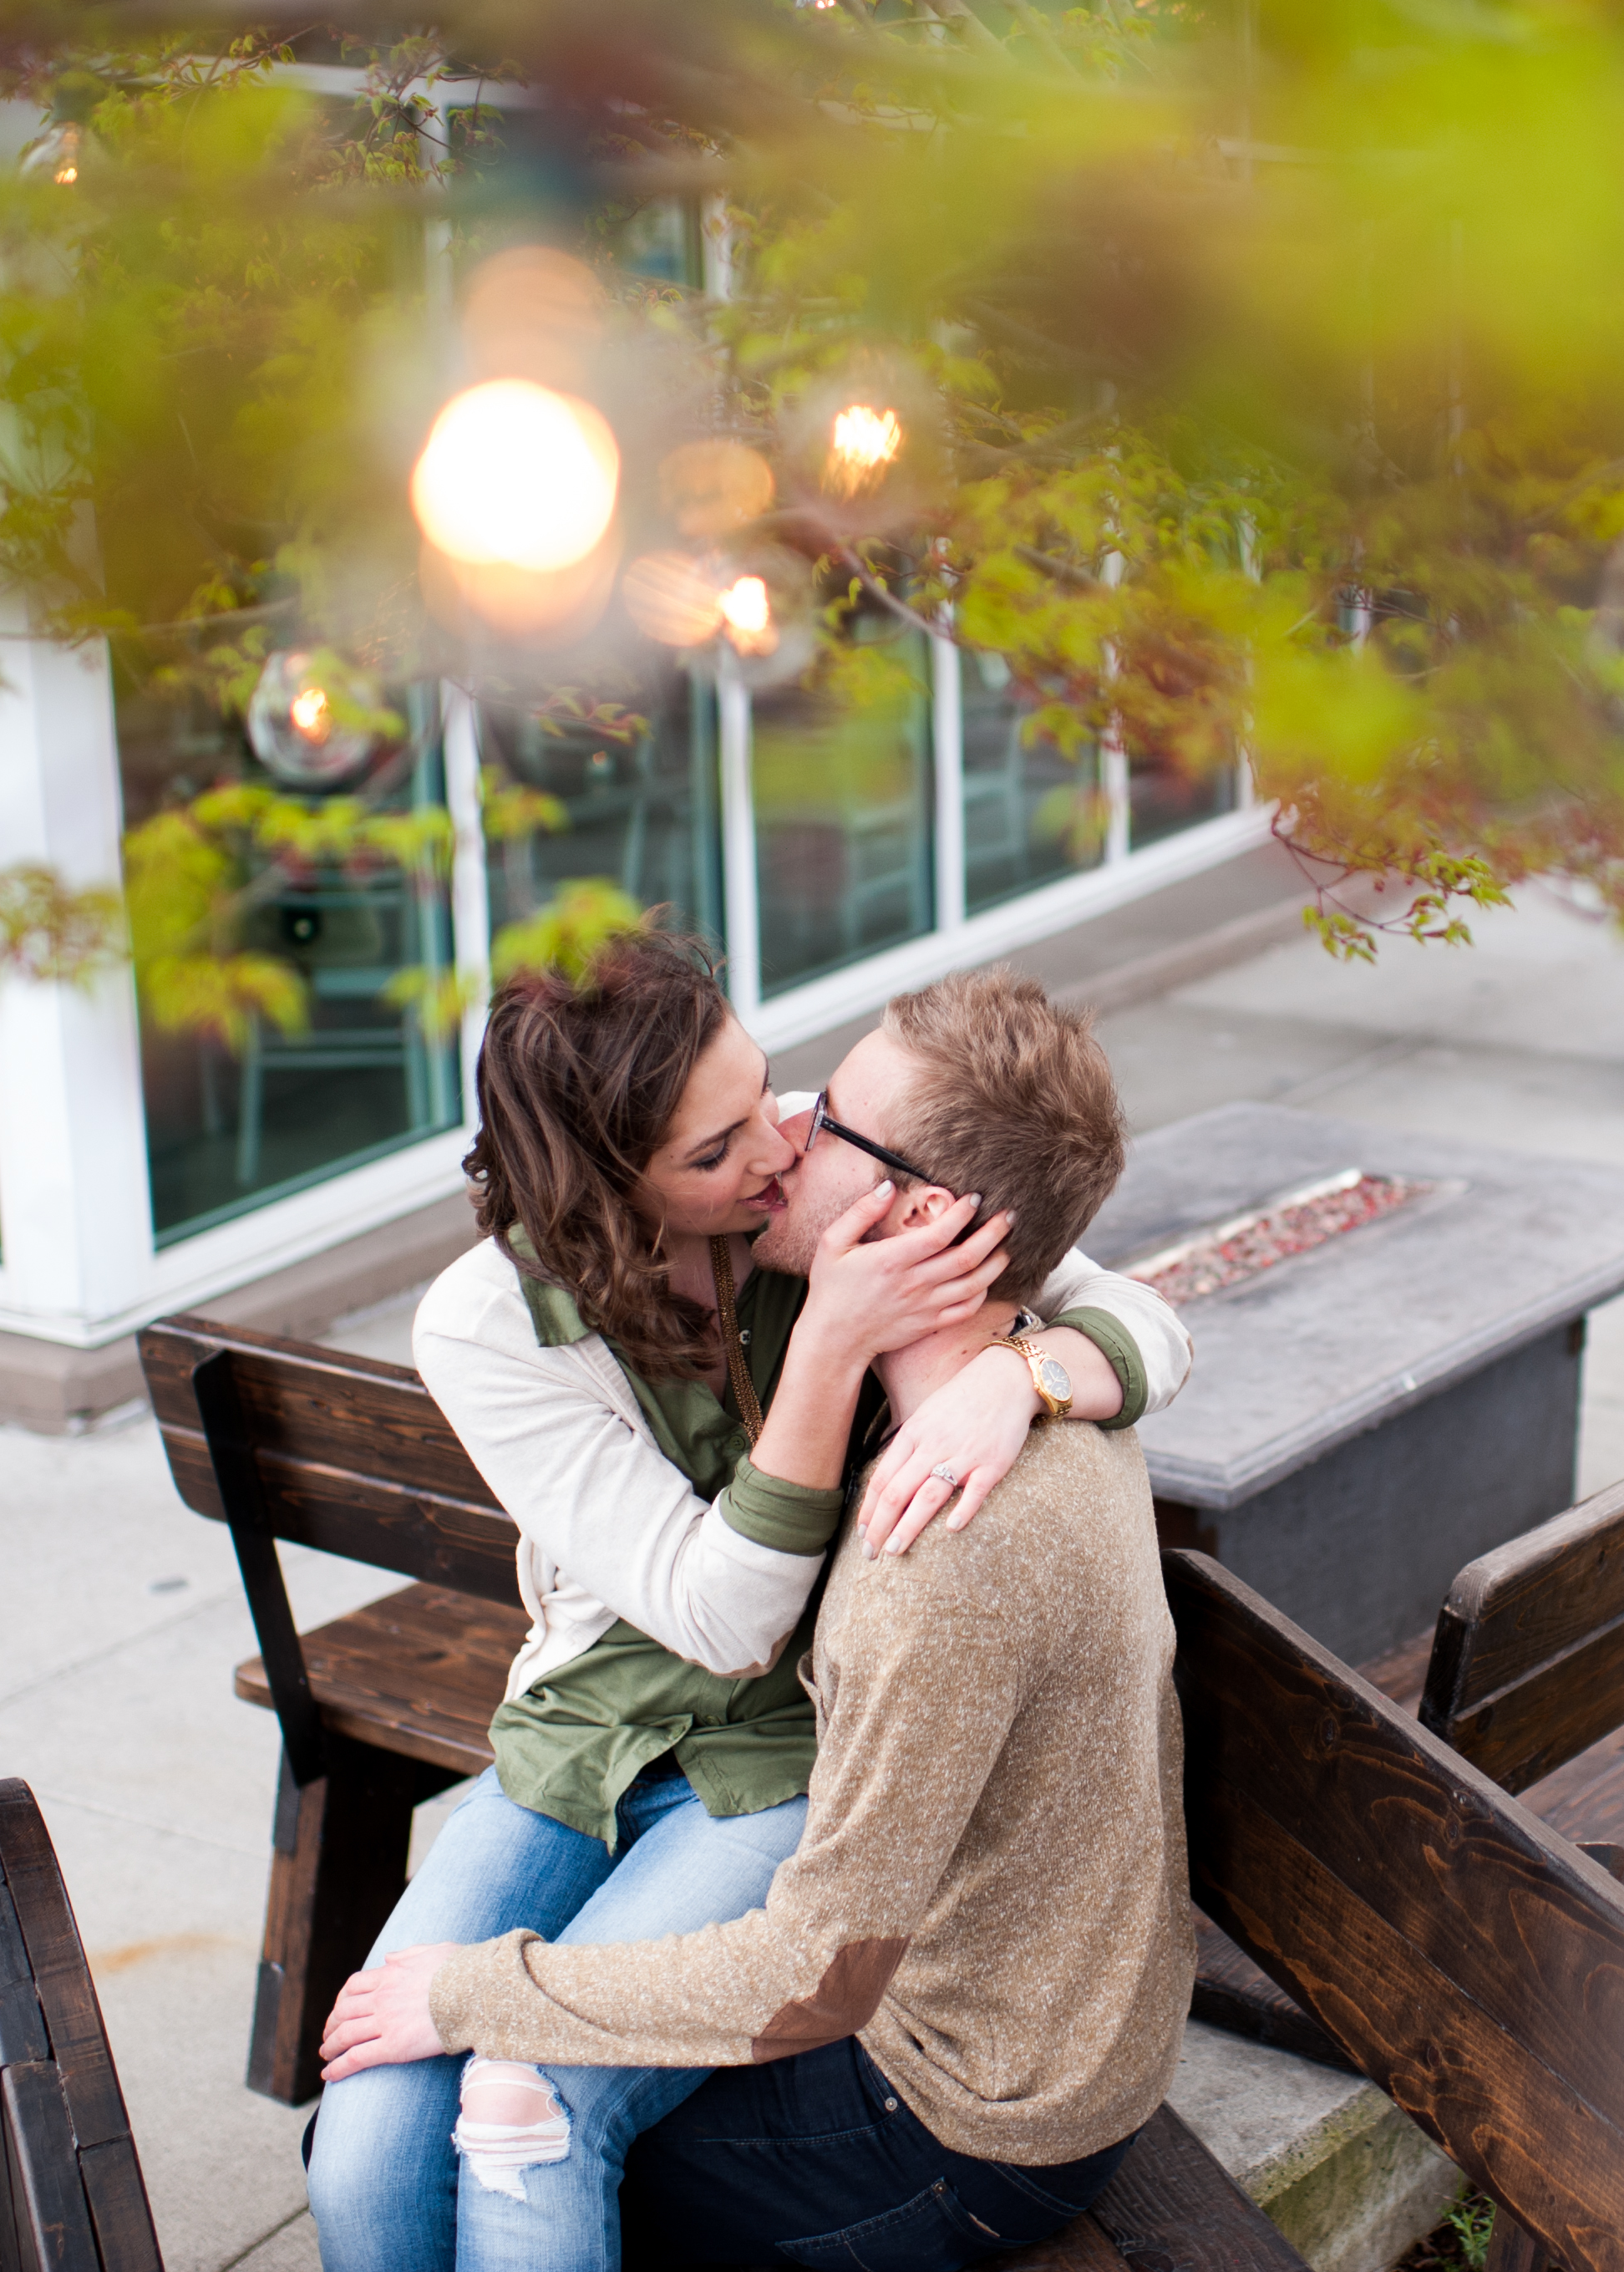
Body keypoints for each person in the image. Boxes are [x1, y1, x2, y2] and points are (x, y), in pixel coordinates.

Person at [304, 935, 1190, 2272]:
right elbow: (714, 1614)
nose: (780, 1147)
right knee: (367, 2147)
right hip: (603, 1740)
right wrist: (842, 1344)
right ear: (622, 1189)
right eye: (722, 1148)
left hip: (792, 1788)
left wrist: (1033, 1377)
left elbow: (1087, 1277)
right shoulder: (519, 1314)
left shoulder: (912, 1439)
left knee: (522, 2116)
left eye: (786, 1099)